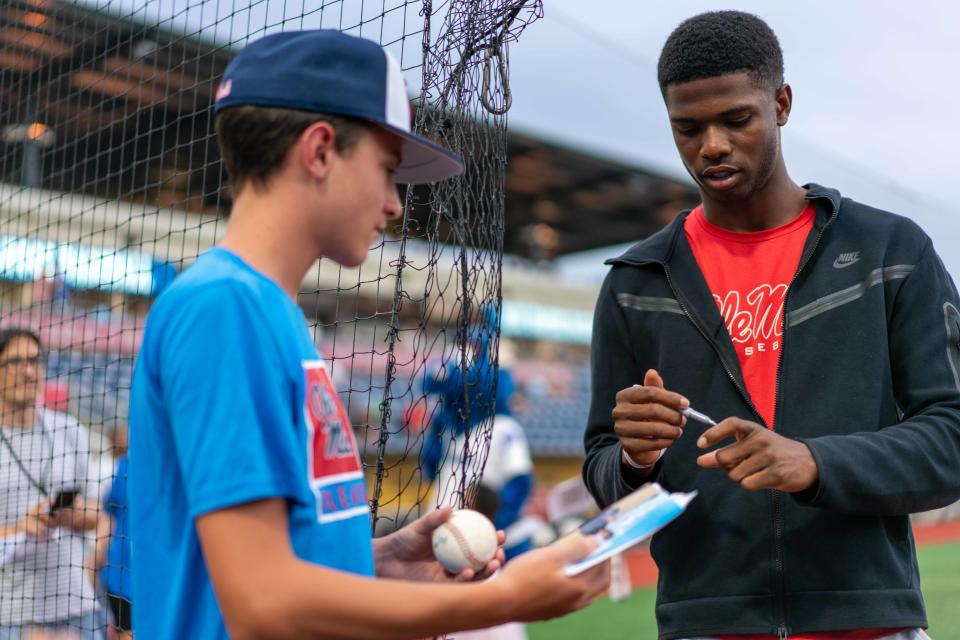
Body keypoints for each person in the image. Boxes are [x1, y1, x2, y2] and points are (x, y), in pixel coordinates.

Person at [128, 29, 608, 640]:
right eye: (386, 170)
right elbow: (262, 603)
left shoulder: (267, 312)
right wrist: (504, 598)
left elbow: (275, 565)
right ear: (320, 150)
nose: (393, 204)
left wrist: (377, 562)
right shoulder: (225, 308)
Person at [583, 10, 960, 640]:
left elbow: (951, 438)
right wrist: (632, 459)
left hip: (869, 623)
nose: (712, 146)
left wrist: (815, 462)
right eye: (687, 127)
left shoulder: (888, 251)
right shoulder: (636, 282)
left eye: (736, 119)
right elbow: (604, 480)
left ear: (781, 103)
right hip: (704, 625)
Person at [0, 328, 105, 639]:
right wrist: (20, 529)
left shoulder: (70, 429)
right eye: (15, 362)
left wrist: (75, 516)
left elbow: (97, 514)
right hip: (9, 612)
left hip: (76, 605)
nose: (28, 371)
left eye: (35, 361)